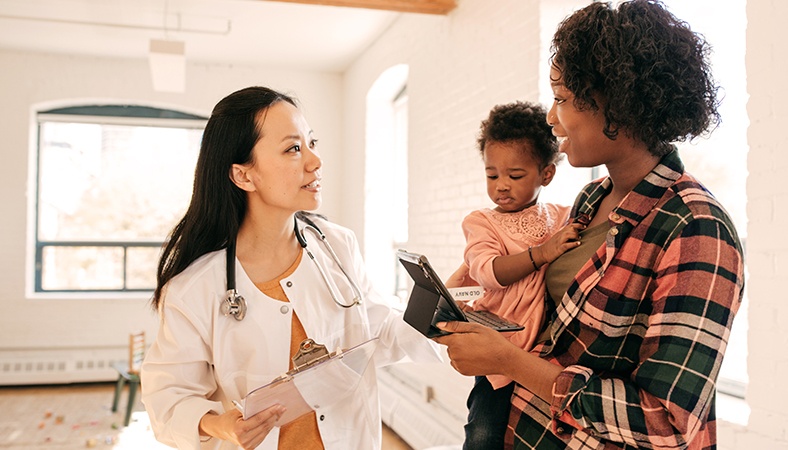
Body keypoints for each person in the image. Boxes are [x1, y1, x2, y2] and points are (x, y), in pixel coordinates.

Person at [434, 1, 745, 449]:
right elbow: (551, 317)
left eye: (561, 99)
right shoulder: (591, 200)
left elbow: (668, 423)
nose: (550, 117)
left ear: (617, 104)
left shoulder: (697, 228)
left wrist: (510, 360)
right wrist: (474, 300)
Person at [140, 86, 440, 450]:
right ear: (243, 176)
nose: (315, 161)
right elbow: (166, 400)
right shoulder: (195, 288)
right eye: (293, 149)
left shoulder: (337, 246)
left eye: (311, 143)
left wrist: (441, 311)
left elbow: (381, 333)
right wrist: (219, 424)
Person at [444, 101, 583, 450]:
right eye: (492, 175)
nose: (501, 185)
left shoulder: (561, 215)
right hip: (500, 348)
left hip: (545, 354)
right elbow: (489, 273)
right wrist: (543, 253)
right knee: (483, 434)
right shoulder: (481, 223)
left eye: (515, 176)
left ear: (546, 175)